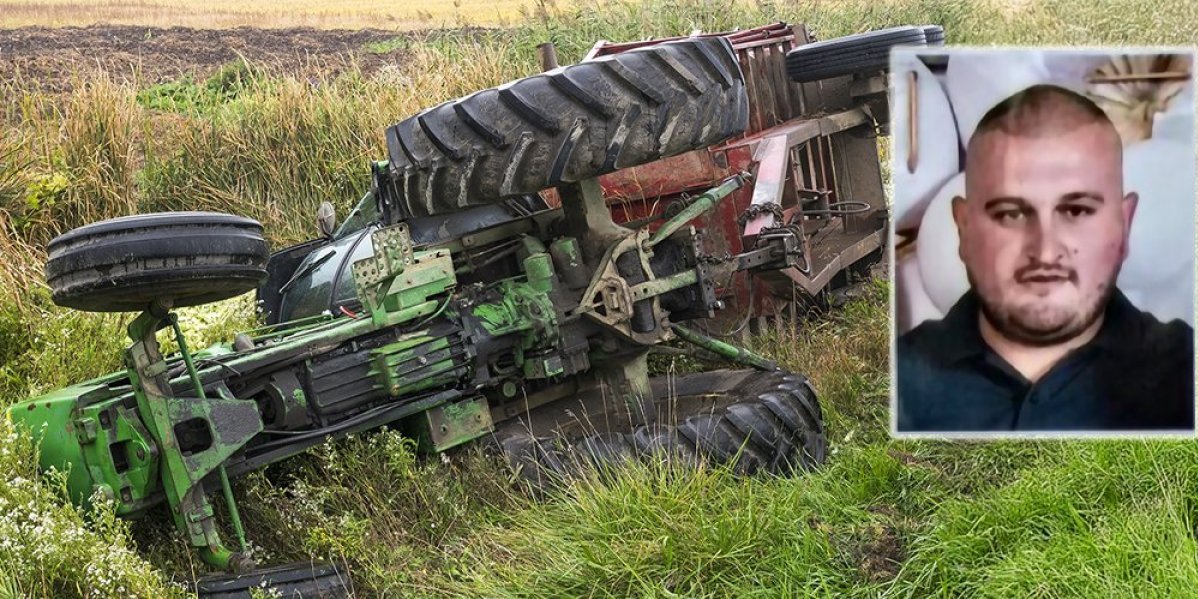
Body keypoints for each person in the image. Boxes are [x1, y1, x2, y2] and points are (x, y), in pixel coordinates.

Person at [896, 83, 1195, 433]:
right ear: (964, 229)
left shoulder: (1184, 374)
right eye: (1010, 213)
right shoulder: (900, 379)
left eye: (1077, 210)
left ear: (1123, 226)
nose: (1045, 250)